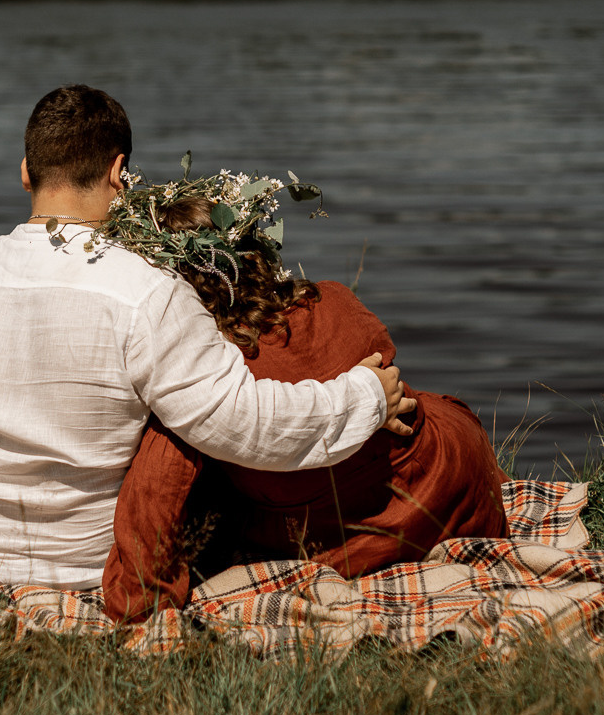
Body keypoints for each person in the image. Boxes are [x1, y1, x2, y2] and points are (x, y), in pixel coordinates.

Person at [0, 85, 417, 589]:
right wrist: (364, 396)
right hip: (72, 569)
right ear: (118, 172)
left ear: (25, 172)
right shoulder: (145, 292)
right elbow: (244, 423)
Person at [99, 188, 510, 620]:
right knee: (427, 407)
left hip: (354, 542)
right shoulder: (331, 299)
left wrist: (139, 603)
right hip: (458, 485)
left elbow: (158, 489)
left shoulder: (210, 376)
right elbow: (381, 353)